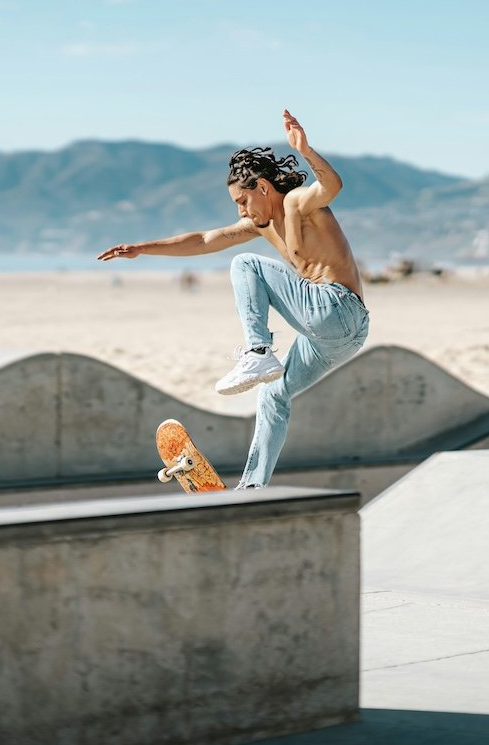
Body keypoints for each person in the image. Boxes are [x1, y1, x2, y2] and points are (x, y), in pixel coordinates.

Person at [98, 109, 369, 488]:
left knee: (246, 264)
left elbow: (332, 185)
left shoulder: (296, 204)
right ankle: (253, 486)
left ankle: (258, 351)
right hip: (342, 336)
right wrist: (142, 248)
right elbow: (204, 240)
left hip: (335, 307)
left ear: (262, 188)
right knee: (273, 395)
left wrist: (305, 149)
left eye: (243, 201)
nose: (241, 211)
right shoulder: (259, 225)